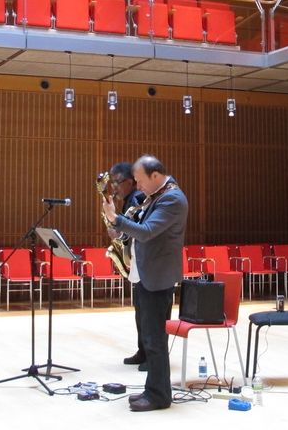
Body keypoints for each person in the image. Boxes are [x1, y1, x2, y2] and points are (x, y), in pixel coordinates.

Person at [102, 155, 187, 412]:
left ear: (155, 175)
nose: (137, 186)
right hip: (146, 273)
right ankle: (154, 390)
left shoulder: (172, 198)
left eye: (139, 181)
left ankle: (159, 396)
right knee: (150, 338)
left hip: (158, 276)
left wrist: (116, 218)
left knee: (155, 340)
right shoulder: (156, 195)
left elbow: (148, 230)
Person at [107, 161, 149, 371]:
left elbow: (135, 230)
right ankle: (143, 351)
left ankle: (151, 355)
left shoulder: (138, 199)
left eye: (117, 182)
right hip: (137, 262)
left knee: (148, 312)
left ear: (131, 181)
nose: (114, 187)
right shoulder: (128, 199)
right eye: (112, 182)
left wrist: (114, 219)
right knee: (140, 310)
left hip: (146, 263)